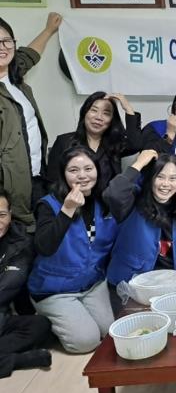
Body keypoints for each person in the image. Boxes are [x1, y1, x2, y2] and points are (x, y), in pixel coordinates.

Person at [28, 147, 119, 353]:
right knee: (86, 341)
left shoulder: (103, 202)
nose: (82, 175)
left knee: (110, 332)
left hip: (92, 284)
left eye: (88, 168)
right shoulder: (49, 204)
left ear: (97, 171)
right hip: (55, 289)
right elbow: (44, 247)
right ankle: (45, 320)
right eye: (73, 170)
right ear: (63, 174)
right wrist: (67, 209)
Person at [0, 13, 61, 229]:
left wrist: (48, 30)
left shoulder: (14, 76)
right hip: (10, 188)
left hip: (36, 176)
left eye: (6, 41)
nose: (2, 47)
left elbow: (29, 55)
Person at [104, 151, 176, 291]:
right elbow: (113, 193)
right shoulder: (132, 200)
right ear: (150, 179)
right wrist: (139, 163)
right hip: (129, 284)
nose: (166, 184)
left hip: (168, 283)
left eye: (172, 178)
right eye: (160, 177)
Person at [0, 188, 52, 378]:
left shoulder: (21, 242)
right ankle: (16, 361)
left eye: (1, 215)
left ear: (10, 214)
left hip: (2, 316)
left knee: (40, 325)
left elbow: (16, 283)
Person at [46, 91, 141, 189]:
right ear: (84, 113)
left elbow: (135, 144)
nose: (98, 117)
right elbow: (52, 181)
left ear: (111, 120)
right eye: (94, 110)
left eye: (106, 113)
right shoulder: (64, 142)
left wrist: (128, 109)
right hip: (74, 197)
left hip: (107, 198)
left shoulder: (114, 143)